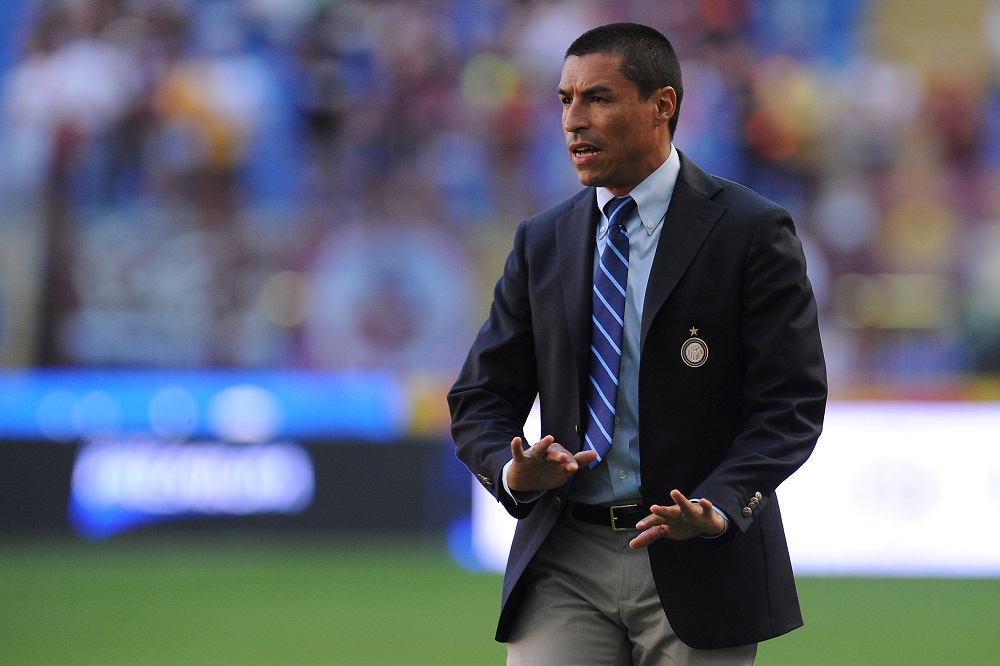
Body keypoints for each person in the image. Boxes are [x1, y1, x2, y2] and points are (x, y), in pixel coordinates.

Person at [448, 22, 826, 665]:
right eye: (565, 100)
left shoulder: (751, 231)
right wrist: (514, 470)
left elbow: (791, 403)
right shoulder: (542, 241)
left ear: (662, 105)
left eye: (597, 98)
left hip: (697, 560)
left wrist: (719, 504)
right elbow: (479, 397)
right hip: (564, 557)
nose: (574, 119)